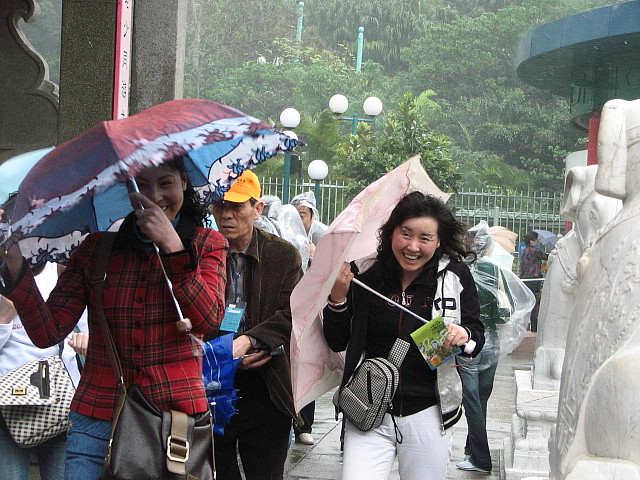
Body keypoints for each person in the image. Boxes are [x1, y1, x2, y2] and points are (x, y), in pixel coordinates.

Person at [0, 159, 228, 480]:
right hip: (96, 416)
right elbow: (47, 330)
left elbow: (207, 319)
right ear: (128, 189)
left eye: (166, 184)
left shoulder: (207, 244)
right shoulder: (97, 249)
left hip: (172, 418)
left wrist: (173, 248)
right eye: (142, 185)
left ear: (185, 184)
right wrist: (15, 266)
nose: (154, 195)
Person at [323, 192, 485, 480]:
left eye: (425, 238)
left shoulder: (453, 275)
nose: (413, 246)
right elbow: (337, 341)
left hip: (429, 411)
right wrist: (337, 299)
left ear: (438, 241)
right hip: (369, 409)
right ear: (391, 232)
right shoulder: (364, 273)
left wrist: (463, 334)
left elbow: (476, 336)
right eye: (405, 234)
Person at [210, 169, 303, 480]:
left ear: (257, 208)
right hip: (211, 382)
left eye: (237, 206)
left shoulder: (283, 255)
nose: (226, 215)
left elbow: (293, 313)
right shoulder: (201, 252)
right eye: (220, 205)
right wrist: (221, 352)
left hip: (266, 382)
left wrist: (252, 341)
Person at [456, 221, 510, 474]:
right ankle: (471, 450)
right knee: (481, 400)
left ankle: (481, 458)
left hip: (469, 341)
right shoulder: (494, 270)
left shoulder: (459, 272)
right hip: (492, 342)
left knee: (472, 402)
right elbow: (504, 310)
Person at [289, 191, 328, 445]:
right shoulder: (287, 233)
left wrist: (315, 254)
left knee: (308, 364)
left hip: (315, 311)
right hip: (293, 308)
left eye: (302, 214)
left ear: (312, 214)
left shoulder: (321, 235)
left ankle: (305, 425)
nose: (298, 219)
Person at [519, 231, 547, 331]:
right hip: (534, 279)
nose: (537, 242)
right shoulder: (535, 251)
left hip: (525, 279)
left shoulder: (525, 250)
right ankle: (534, 327)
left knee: (527, 302)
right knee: (534, 302)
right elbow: (546, 257)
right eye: (536, 240)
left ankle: (525, 325)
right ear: (531, 241)